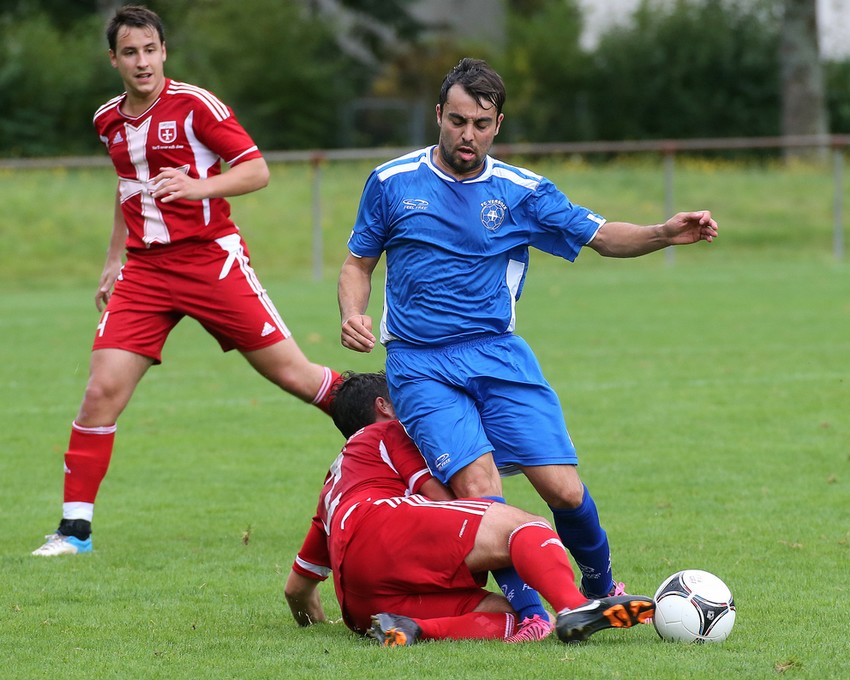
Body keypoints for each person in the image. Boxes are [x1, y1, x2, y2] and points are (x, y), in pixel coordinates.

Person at [337, 58, 718, 639]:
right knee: (480, 490)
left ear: (498, 125)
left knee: (563, 488)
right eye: (458, 120)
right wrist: (352, 311)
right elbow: (357, 263)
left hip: (497, 354)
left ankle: (600, 589)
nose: (468, 135)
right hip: (420, 363)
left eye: (481, 124)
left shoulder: (522, 192)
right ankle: (534, 617)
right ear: (438, 115)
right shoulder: (391, 183)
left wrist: (664, 234)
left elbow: (602, 237)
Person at [32, 5, 341, 557]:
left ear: (164, 52)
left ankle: (390, 428)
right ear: (114, 60)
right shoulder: (108, 119)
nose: (142, 61)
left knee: (298, 377)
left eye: (150, 49)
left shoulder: (196, 106)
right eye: (130, 52)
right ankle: (74, 532)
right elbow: (127, 190)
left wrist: (198, 188)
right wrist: (113, 260)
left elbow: (257, 169)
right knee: (100, 391)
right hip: (146, 272)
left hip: (209, 263)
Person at [284, 372, 655, 645]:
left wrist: (316, 628)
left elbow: (296, 590)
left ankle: (412, 629)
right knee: (523, 527)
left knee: (505, 616)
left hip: (363, 602)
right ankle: (574, 605)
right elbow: (452, 504)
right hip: (383, 526)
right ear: (385, 406)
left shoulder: (332, 486)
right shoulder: (389, 432)